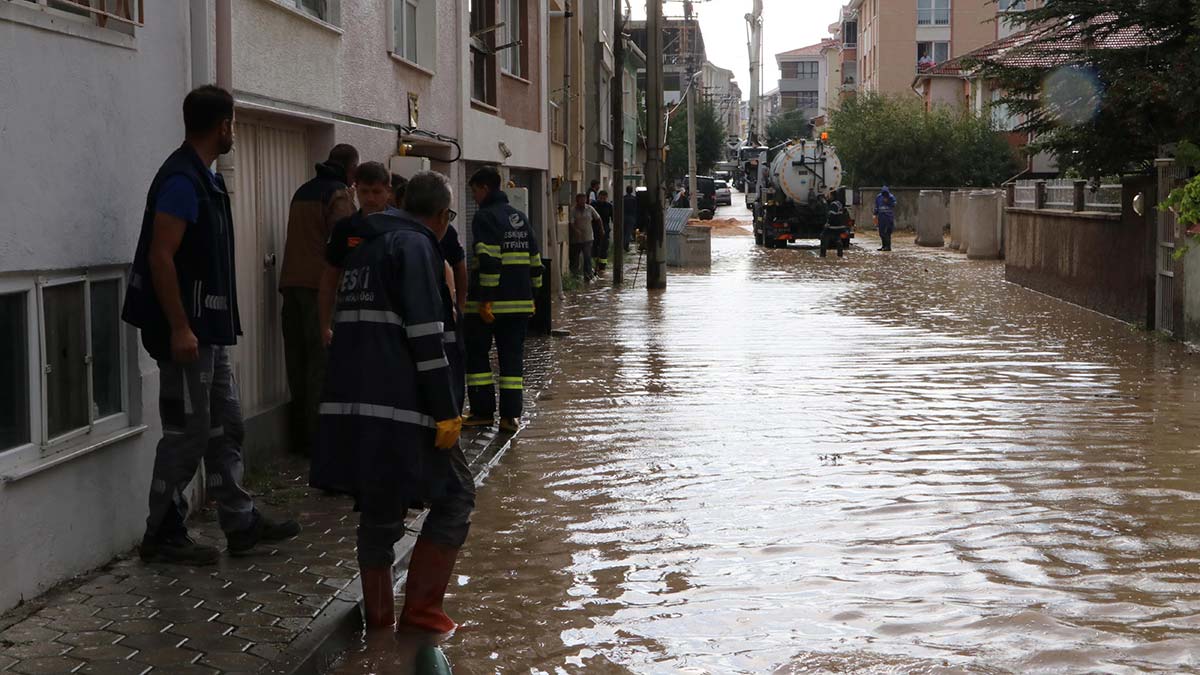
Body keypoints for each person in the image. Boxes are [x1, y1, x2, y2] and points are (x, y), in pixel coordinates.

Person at [122, 85, 300, 565]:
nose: (234, 131)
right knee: (187, 432)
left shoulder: (205, 178)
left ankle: (240, 522)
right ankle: (161, 532)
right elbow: (161, 257)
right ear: (223, 126)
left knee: (225, 425)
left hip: (208, 332)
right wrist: (180, 328)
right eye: (234, 123)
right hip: (185, 333)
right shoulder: (182, 180)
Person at [310, 171, 470, 634]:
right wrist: (445, 411)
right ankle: (421, 612)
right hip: (403, 407)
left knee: (380, 513)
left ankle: (377, 628)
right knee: (457, 496)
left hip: (356, 407)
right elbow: (426, 337)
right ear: (442, 216)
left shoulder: (367, 247)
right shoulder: (418, 247)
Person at [279, 144, 358, 456]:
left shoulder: (302, 191)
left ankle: (299, 435)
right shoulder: (338, 194)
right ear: (351, 169)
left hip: (290, 283)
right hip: (318, 287)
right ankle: (318, 439)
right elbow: (345, 239)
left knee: (296, 362)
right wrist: (364, 238)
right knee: (320, 362)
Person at [462, 166, 544, 433]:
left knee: (477, 357)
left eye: (474, 190)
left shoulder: (485, 217)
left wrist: (485, 300)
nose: (474, 196)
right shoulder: (519, 217)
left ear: (484, 188)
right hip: (520, 304)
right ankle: (510, 418)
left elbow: (488, 260)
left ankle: (483, 413)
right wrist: (534, 297)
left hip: (490, 305)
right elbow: (535, 261)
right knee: (512, 361)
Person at [322, 162, 398, 337]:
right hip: (351, 323)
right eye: (364, 191)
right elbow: (329, 280)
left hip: (390, 326)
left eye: (376, 192)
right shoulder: (345, 229)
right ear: (355, 189)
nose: (370, 198)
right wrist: (325, 326)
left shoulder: (400, 227)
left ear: (388, 191)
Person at [569, 193, 601, 280]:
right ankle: (574, 276)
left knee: (587, 257)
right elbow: (571, 223)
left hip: (588, 237)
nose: (583, 202)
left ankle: (588, 276)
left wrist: (601, 230)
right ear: (577, 201)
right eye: (581, 200)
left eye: (584, 200)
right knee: (575, 258)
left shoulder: (590, 209)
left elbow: (598, 218)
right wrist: (576, 231)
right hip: (576, 239)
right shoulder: (573, 210)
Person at [592, 190, 614, 274]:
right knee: (594, 247)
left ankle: (602, 267)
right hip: (594, 228)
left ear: (606, 198)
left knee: (604, 248)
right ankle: (594, 265)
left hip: (605, 228)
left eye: (604, 198)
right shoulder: (593, 205)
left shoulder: (609, 206)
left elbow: (612, 218)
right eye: (601, 198)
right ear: (598, 197)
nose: (602, 200)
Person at [874, 185, 897, 252]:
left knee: (887, 232)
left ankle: (888, 246)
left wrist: (888, 201)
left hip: (888, 217)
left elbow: (894, 204)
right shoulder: (878, 197)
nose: (884, 196)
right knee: (881, 232)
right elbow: (876, 206)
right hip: (881, 217)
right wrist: (875, 214)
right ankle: (883, 246)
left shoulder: (891, 197)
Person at [621, 185, 638, 252]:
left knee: (623, 232)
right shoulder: (634, 199)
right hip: (631, 217)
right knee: (628, 232)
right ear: (632, 191)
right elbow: (636, 209)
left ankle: (624, 245)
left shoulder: (623, 198)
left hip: (623, 216)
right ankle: (625, 245)